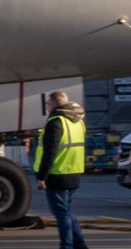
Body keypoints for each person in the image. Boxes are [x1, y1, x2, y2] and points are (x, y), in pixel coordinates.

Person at [34, 91, 89, 249]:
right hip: (74, 172)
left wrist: (42, 176)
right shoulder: (78, 122)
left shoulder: (55, 122)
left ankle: (67, 245)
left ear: (51, 105)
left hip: (57, 174)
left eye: (48, 105)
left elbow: (50, 151)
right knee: (67, 211)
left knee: (61, 213)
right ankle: (80, 244)